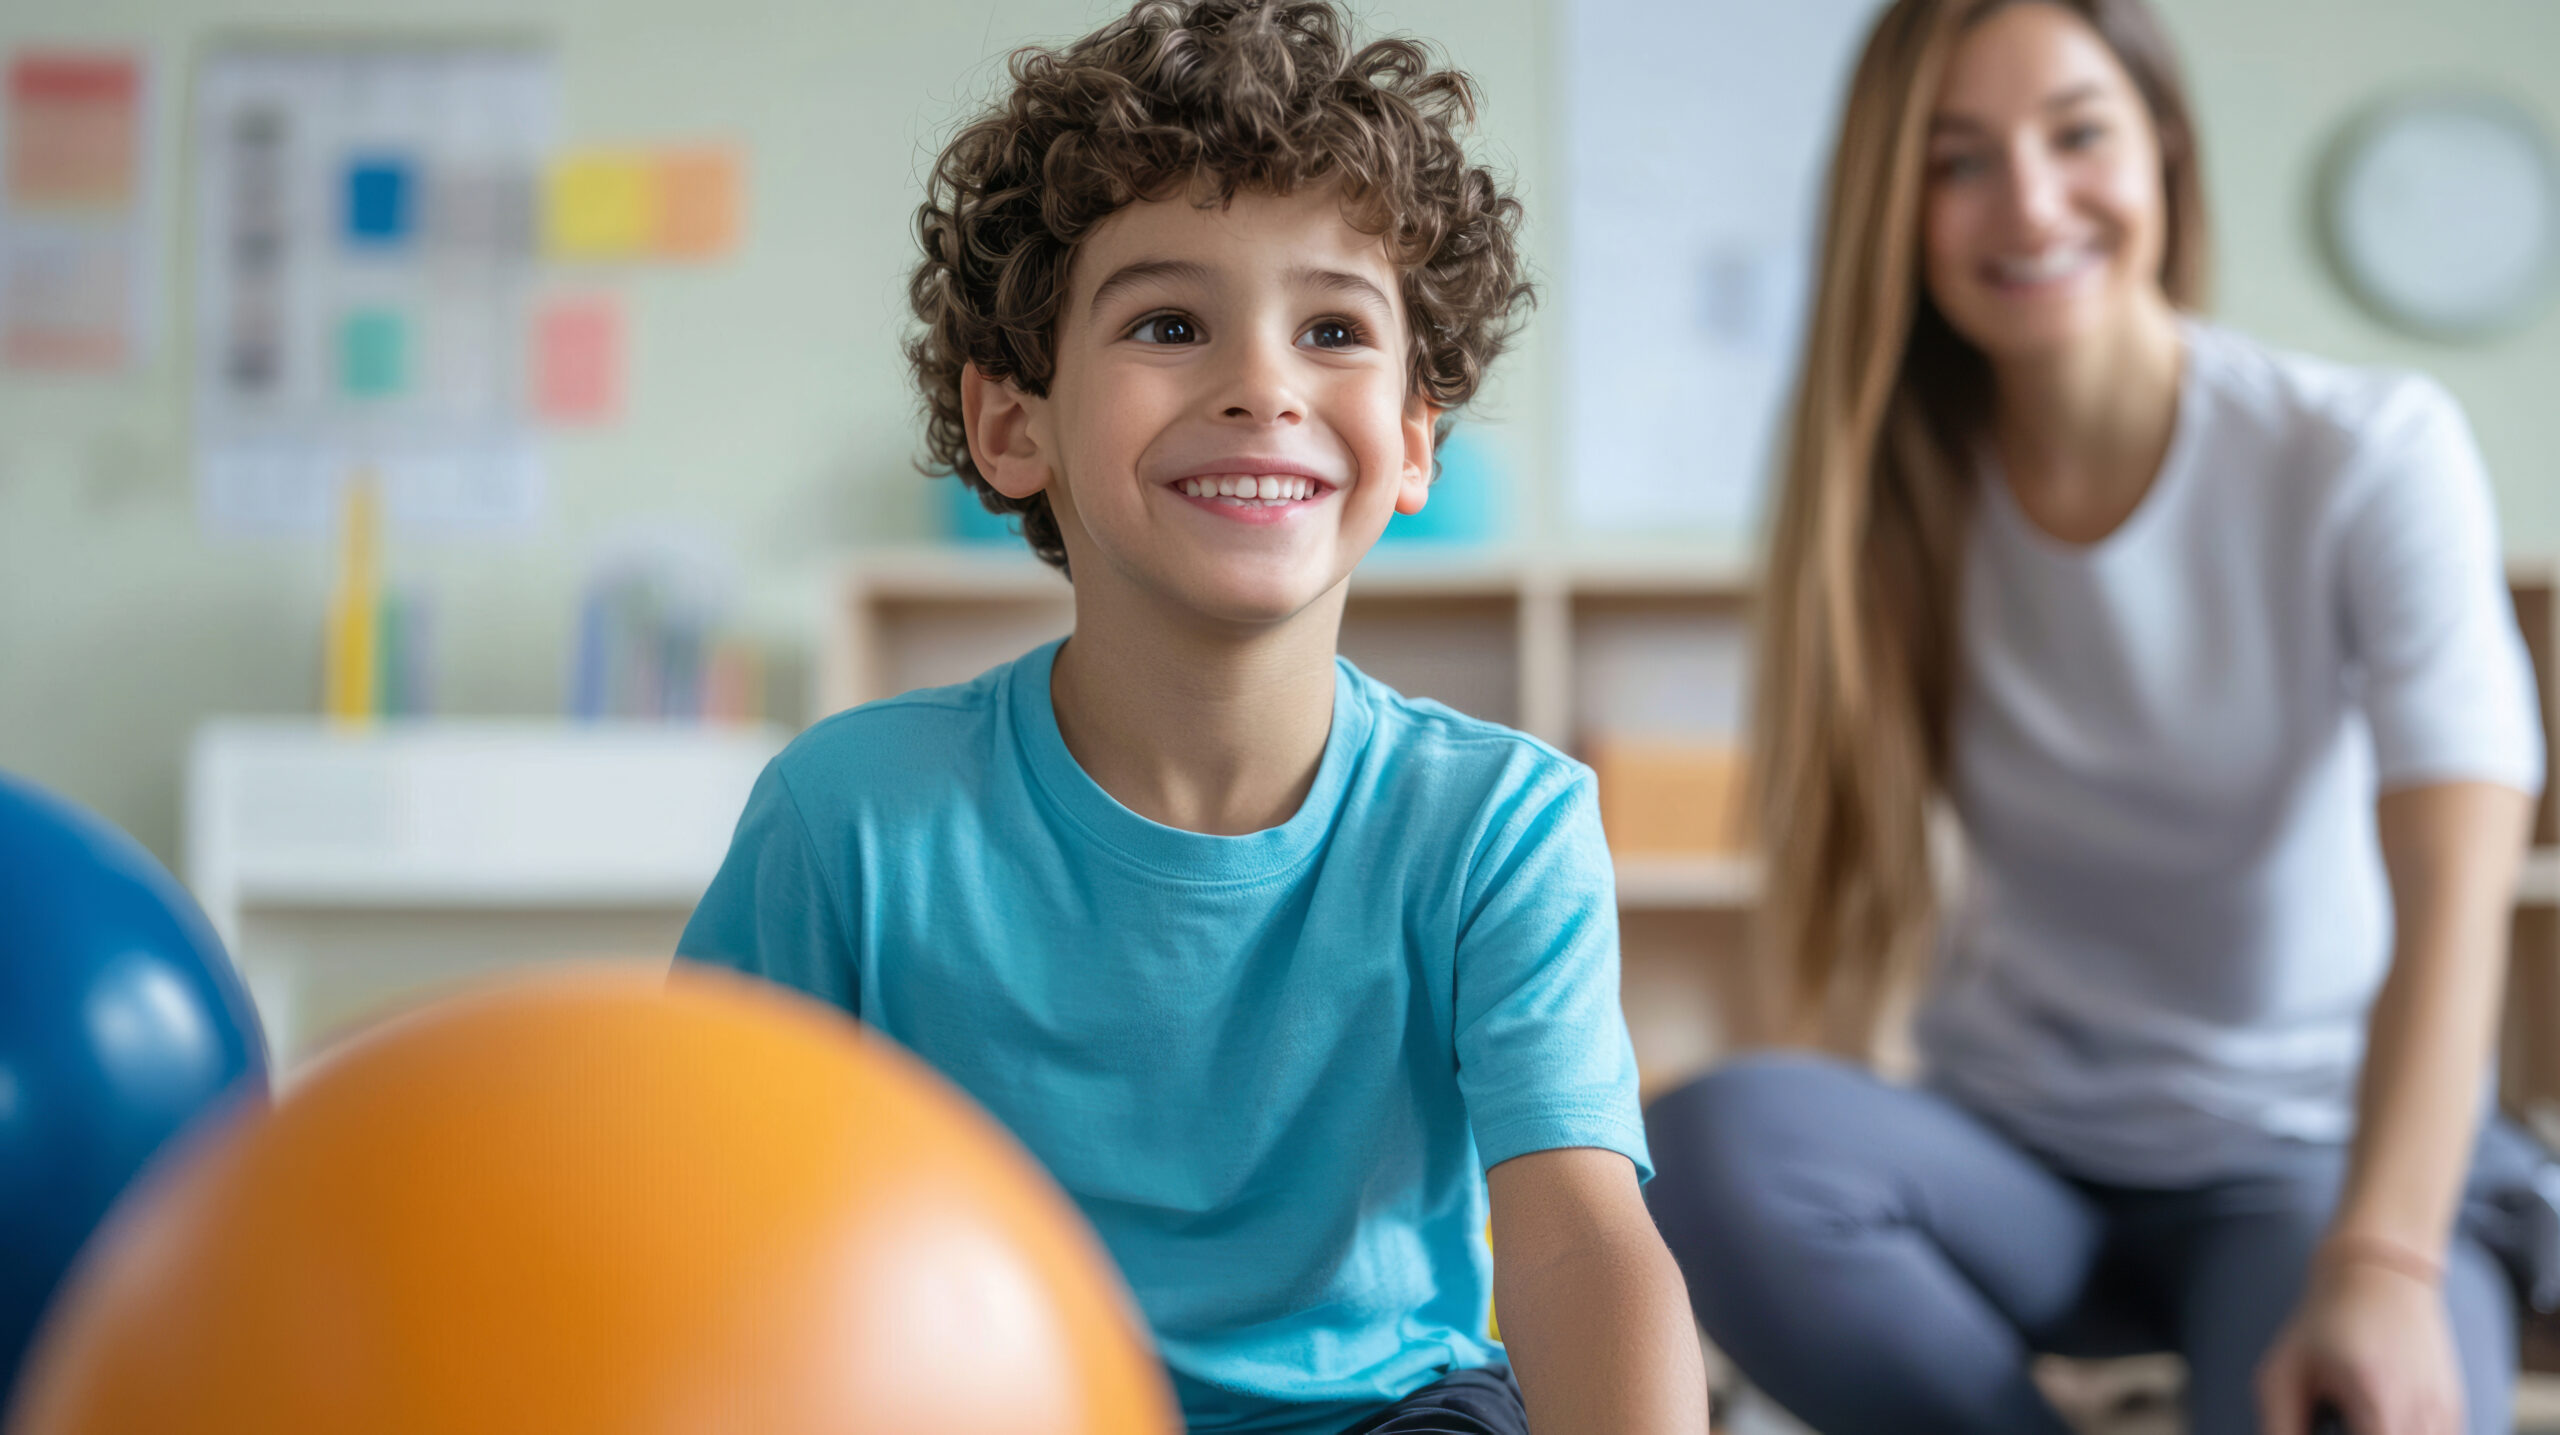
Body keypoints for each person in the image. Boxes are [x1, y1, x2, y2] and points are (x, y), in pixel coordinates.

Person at [677, 4, 1706, 1431]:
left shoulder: (1502, 826)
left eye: (1334, 329)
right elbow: (705, 1226)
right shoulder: (846, 814)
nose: (1262, 387)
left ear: (1414, 440)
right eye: (1171, 323)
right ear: (1010, 425)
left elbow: (1577, 1237)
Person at [1640, 3, 2550, 1434]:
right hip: (2019, 1163)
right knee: (1694, 1151)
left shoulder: (2365, 452)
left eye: (2078, 134)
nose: (2031, 203)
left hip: (2315, 1163)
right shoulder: (1889, 497)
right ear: (1896, 206)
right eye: (1957, 161)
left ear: (2167, 154)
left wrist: (2385, 1258)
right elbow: (1840, 902)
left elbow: (2461, 890)